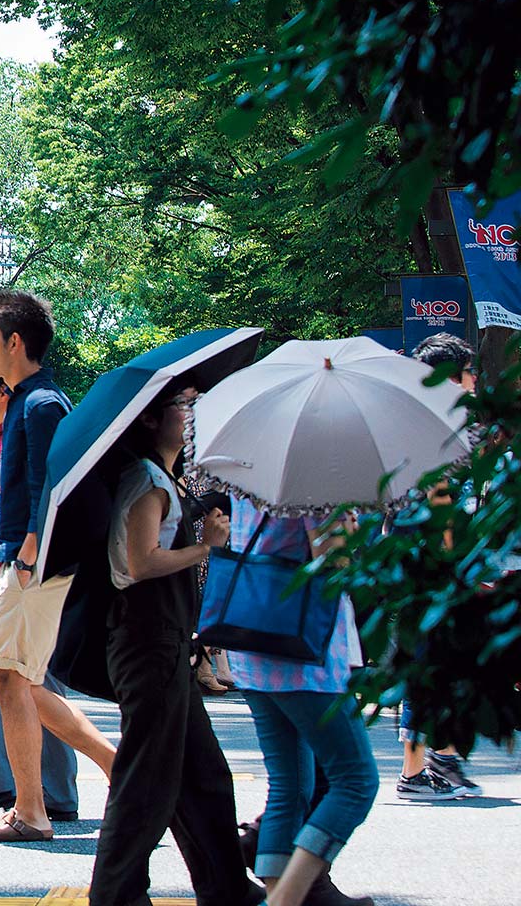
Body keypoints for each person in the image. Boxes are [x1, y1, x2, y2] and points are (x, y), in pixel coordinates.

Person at [88, 394, 252, 906]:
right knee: (145, 783)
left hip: (163, 642)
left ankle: (228, 889)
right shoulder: (148, 480)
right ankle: (116, 896)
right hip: (147, 641)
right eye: (184, 406)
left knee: (203, 776)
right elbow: (140, 562)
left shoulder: (162, 478)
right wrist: (208, 546)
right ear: (153, 419)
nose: (193, 414)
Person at [0, 290, 116, 844]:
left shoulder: (39, 405)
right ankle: (94, 771)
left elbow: (53, 487)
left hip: (34, 564)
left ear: (14, 342)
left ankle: (32, 810)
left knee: (11, 678)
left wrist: (30, 551)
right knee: (17, 679)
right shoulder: (33, 400)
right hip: (30, 560)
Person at [227, 500, 376, 906]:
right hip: (306, 654)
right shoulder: (315, 482)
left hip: (253, 645)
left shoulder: (250, 475)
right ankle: (283, 900)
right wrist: (350, 533)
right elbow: (331, 561)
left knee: (289, 785)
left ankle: (281, 896)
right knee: (356, 781)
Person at [394, 332, 481, 798]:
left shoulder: (424, 420)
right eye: (469, 372)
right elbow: (438, 501)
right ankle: (413, 772)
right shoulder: (433, 427)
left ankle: (441, 758)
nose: (474, 381)